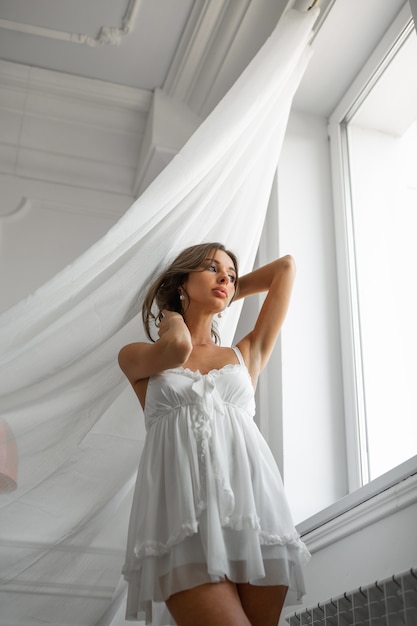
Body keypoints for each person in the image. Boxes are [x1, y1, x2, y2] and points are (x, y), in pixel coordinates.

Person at [118, 242, 310, 626]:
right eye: (211, 268)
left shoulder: (246, 355)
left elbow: (285, 269)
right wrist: (172, 317)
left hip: (256, 514)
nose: (225, 277)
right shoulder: (137, 356)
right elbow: (177, 348)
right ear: (180, 282)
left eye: (232, 274)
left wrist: (226, 289)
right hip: (184, 522)